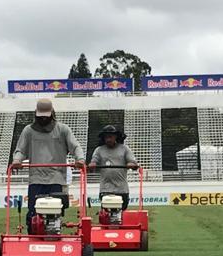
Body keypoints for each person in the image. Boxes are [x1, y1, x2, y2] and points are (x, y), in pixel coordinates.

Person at [11, 99, 85, 231]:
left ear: (52, 113)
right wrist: (17, 161)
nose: (43, 119)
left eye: (46, 116)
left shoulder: (62, 129)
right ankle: (33, 237)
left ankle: (54, 232)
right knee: (33, 212)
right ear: (36, 114)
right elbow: (21, 150)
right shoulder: (28, 131)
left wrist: (80, 159)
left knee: (55, 211)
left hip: (56, 177)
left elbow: (75, 146)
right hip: (36, 178)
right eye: (41, 116)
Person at [88, 125, 139, 210]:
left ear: (115, 137)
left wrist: (131, 164)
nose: (108, 139)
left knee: (122, 212)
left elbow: (133, 162)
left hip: (121, 188)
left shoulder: (124, 149)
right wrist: (92, 164)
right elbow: (94, 161)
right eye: (106, 137)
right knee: (106, 213)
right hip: (106, 188)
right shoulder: (99, 150)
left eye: (110, 137)